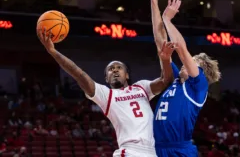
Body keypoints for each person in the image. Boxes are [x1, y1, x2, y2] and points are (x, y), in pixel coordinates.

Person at [37, 27, 176, 157]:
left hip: (152, 152)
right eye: (110, 69)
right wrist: (53, 52)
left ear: (127, 75)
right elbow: (79, 74)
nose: (115, 70)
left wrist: (165, 60)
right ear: (106, 78)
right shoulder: (107, 95)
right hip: (129, 151)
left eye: (119, 68)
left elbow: (166, 81)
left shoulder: (142, 87)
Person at [150, 0, 221, 157]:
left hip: (179, 150)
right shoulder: (175, 79)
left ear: (201, 71)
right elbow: (160, 41)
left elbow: (181, 49)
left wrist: (167, 20)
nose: (185, 63)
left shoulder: (198, 86)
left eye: (193, 61)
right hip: (157, 148)